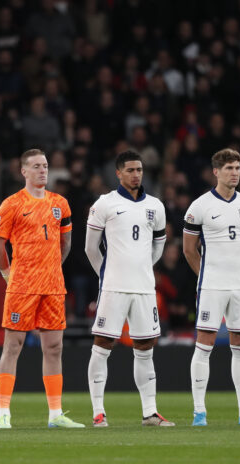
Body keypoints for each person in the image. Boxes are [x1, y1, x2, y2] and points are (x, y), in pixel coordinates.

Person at [0, 148, 84, 428]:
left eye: (45, 165)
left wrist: (52, 265)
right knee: (13, 346)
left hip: (53, 286)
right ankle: (3, 412)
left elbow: (65, 243)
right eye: (36, 166)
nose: (43, 170)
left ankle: (55, 414)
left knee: (54, 348)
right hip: (22, 286)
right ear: (24, 171)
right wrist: (9, 273)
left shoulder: (60, 203)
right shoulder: (11, 204)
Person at [84, 150, 174, 427]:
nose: (136, 174)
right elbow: (90, 248)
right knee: (102, 344)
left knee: (145, 346)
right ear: (119, 173)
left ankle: (150, 412)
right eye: (131, 170)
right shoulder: (104, 204)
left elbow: (159, 244)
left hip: (145, 288)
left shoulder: (156, 206)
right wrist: (106, 272)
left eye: (140, 170)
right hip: (114, 287)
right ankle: (98, 412)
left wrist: (143, 268)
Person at [182, 148, 240, 427]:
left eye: (238, 168)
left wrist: (235, 267)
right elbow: (188, 249)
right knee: (204, 344)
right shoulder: (200, 206)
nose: (235, 173)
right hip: (212, 285)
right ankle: (199, 412)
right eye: (229, 168)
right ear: (216, 172)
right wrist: (205, 276)